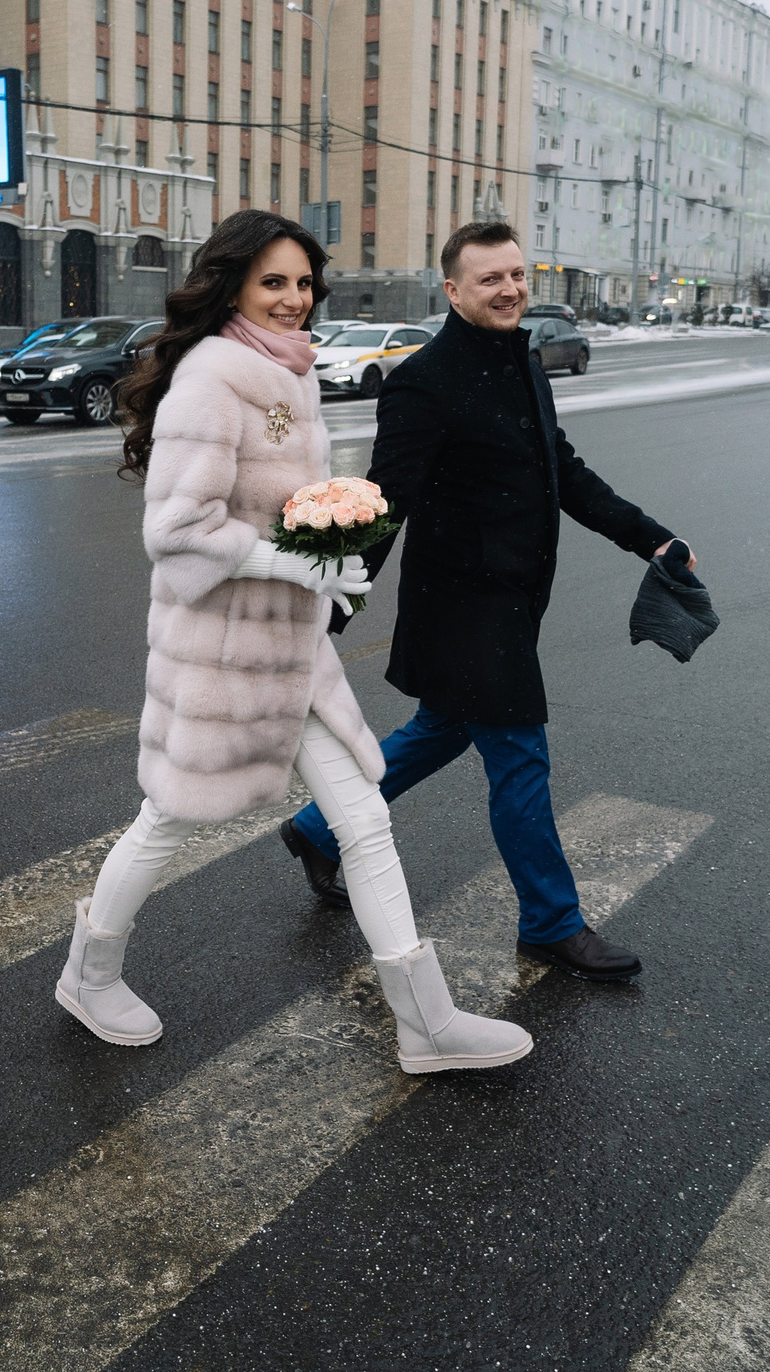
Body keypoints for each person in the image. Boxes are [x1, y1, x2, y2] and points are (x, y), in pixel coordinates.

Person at [55, 209, 532, 1074]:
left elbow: (277, 503)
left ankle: (424, 1022)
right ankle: (88, 977)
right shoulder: (214, 378)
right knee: (164, 819)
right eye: (273, 282)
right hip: (222, 653)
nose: (293, 299)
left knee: (364, 820)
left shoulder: (289, 373)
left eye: (304, 283)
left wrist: (331, 545)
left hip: (292, 647)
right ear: (232, 283)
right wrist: (294, 564)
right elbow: (176, 529)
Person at [277, 223, 691, 982]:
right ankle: (552, 922)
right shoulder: (423, 381)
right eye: (491, 279)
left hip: (513, 597)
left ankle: (316, 830)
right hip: (464, 605)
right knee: (520, 755)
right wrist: (329, 610)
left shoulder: (523, 361)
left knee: (442, 730)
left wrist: (652, 539)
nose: (510, 289)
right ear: (454, 291)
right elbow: (382, 502)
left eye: (517, 275)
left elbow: (562, 471)